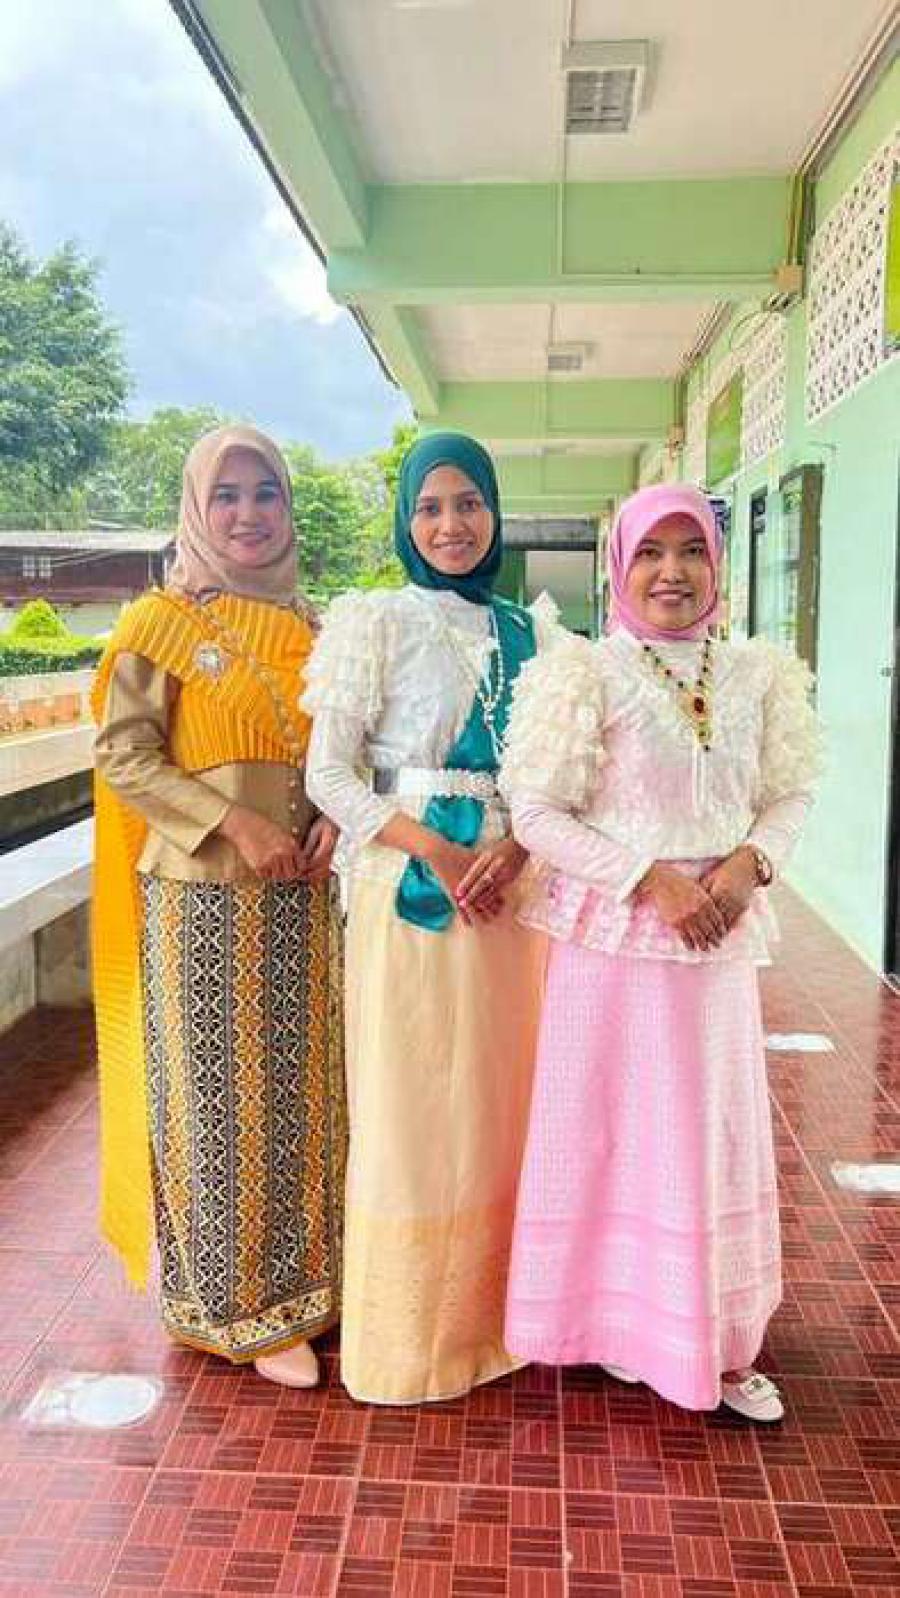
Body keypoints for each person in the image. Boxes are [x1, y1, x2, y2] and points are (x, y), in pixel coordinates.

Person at [499, 482, 823, 1422]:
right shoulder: (583, 673)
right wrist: (649, 880)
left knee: (705, 1132)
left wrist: (749, 865)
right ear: (620, 567)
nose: (671, 572)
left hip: (717, 938)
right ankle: (615, 1326)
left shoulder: (758, 673)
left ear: (717, 566)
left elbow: (789, 793)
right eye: (650, 552)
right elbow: (536, 813)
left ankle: (710, 1339)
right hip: (615, 939)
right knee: (614, 1130)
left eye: (690, 552)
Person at [302, 432, 559, 1404]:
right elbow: (328, 775)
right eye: (429, 507)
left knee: (498, 1095)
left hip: (507, 896)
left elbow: (555, 776)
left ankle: (498, 1320)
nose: (451, 524)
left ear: (495, 511)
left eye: (469, 503)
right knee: (411, 1101)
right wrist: (439, 853)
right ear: (406, 520)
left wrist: (516, 849)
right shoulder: (373, 621)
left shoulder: (535, 634)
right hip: (408, 886)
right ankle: (410, 1340)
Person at [92, 424, 346, 1388]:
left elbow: (341, 749)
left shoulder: (317, 629)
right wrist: (235, 824)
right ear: (197, 509)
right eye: (226, 495)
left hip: (303, 899)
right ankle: (236, 1307)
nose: (248, 514)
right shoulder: (158, 624)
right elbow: (123, 755)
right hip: (203, 904)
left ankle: (310, 1284)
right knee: (217, 1102)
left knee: (305, 1093)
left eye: (266, 492)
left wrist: (333, 815)